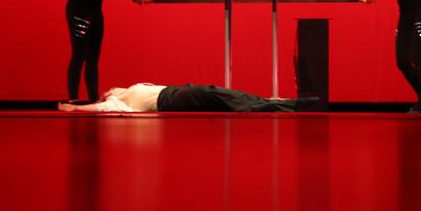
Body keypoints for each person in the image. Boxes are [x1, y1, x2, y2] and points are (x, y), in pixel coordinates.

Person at [57, 83, 318, 112]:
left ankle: (277, 103)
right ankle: (270, 105)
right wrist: (75, 108)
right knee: (216, 95)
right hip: (170, 100)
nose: (109, 90)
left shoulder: (129, 89)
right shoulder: (118, 102)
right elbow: (100, 109)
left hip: (177, 91)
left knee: (228, 95)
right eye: (104, 94)